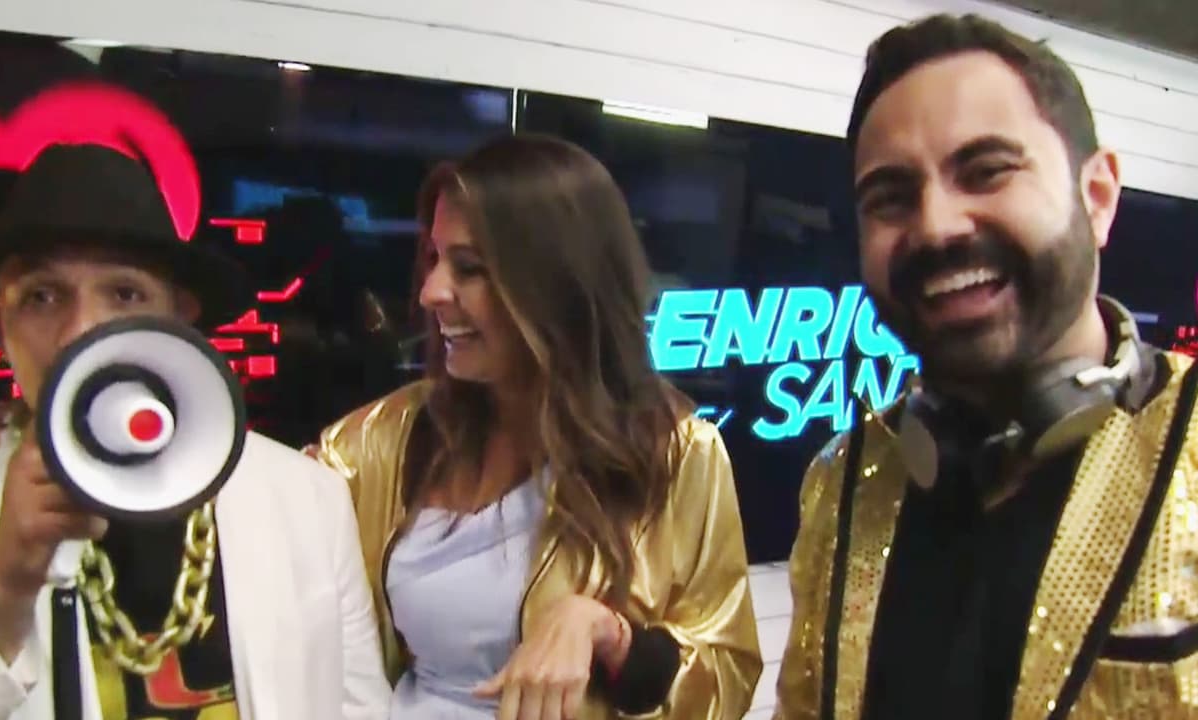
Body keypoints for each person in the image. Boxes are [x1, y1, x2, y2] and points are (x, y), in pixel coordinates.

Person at [775, 13, 1198, 720]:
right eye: (891, 198)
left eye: (986, 172)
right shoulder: (842, 482)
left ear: (1097, 197)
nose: (936, 226)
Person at [0, 143, 391, 719]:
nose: (81, 329)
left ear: (179, 315)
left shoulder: (306, 499)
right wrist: (3, 589)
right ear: (1, 323)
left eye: (124, 293)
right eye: (42, 296)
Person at [314, 133, 762, 720]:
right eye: (434, 259)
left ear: (556, 283)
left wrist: (613, 638)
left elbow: (728, 672)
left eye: (469, 268)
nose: (431, 292)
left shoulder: (673, 454)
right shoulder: (378, 442)